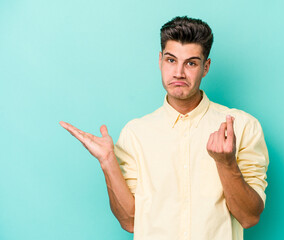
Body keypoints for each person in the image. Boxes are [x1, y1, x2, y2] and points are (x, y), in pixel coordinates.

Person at [60, 16, 269, 240]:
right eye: (171, 60)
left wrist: (226, 164)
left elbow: (249, 217)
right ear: (160, 60)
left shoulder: (243, 126)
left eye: (191, 63)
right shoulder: (135, 133)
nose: (179, 72)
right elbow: (130, 221)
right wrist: (108, 162)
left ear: (205, 67)